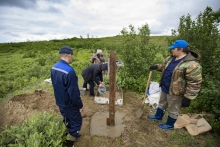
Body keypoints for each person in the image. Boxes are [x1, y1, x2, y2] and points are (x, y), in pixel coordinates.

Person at [148, 40, 202, 130]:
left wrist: (188, 97)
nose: (172, 50)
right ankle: (158, 116)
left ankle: (169, 125)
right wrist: (156, 67)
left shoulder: (192, 64)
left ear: (181, 49)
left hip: (176, 92)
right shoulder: (170, 58)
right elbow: (164, 67)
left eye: (173, 48)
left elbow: (195, 82)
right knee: (162, 103)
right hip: (165, 87)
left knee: (173, 109)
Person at [51, 46, 84, 146]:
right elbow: (73, 93)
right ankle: (69, 142)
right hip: (68, 103)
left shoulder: (54, 67)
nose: (72, 58)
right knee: (77, 120)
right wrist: (80, 105)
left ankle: (65, 133)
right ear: (69, 55)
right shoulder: (69, 71)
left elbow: (54, 84)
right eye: (72, 56)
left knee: (66, 117)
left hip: (59, 100)